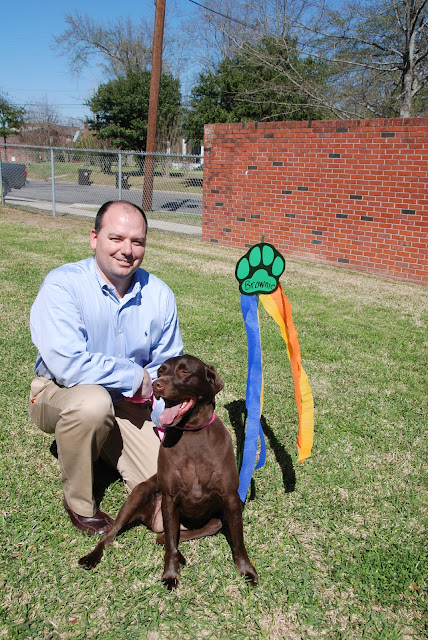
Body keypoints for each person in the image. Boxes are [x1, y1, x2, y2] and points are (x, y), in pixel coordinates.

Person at [29, 201, 183, 535]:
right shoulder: (62, 285)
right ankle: (80, 505)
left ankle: (98, 446)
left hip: (128, 403)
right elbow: (68, 365)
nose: (127, 250)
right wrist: (133, 375)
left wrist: (163, 418)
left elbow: (166, 367)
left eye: (137, 241)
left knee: (167, 494)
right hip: (60, 392)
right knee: (92, 405)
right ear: (94, 238)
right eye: (116, 238)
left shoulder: (159, 295)